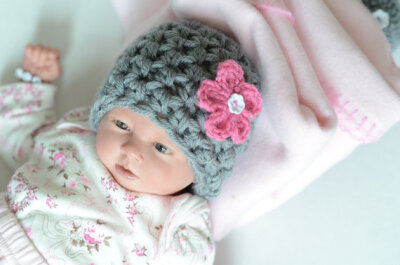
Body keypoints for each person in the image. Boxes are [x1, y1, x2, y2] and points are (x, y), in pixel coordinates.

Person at [0, 21, 262, 264]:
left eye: (161, 148)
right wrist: (34, 81)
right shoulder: (76, 135)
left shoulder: (181, 220)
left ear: (197, 174)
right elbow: (22, 140)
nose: (132, 151)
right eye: (121, 125)